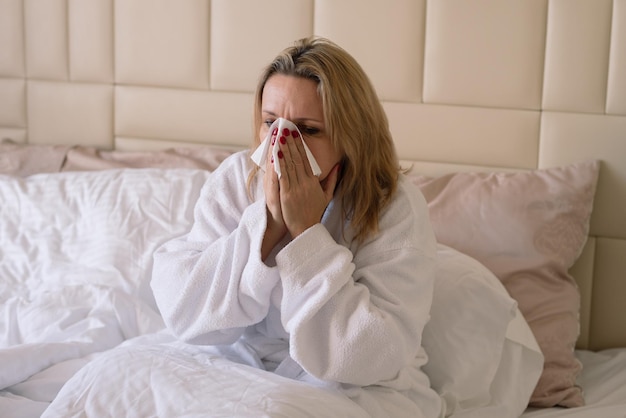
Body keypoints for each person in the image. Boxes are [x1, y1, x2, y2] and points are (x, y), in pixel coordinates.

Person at [151, 36, 443, 417]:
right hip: (239, 363)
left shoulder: (394, 204)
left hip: (350, 385)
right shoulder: (239, 179)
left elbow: (375, 351)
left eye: (307, 130)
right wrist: (270, 224)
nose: (281, 145)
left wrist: (306, 235)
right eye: (271, 123)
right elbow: (189, 313)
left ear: (351, 134)